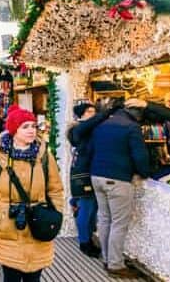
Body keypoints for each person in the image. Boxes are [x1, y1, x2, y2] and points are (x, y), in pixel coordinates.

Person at [0, 107, 65, 282]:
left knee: (34, 278)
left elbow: (55, 189)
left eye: (33, 125)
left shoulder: (44, 155)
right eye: (25, 126)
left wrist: (57, 214)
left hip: (38, 225)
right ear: (14, 129)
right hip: (7, 226)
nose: (31, 130)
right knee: (11, 278)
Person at [85, 103, 151, 277]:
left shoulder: (102, 124)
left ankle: (108, 258)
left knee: (105, 219)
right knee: (119, 223)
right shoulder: (131, 127)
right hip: (117, 178)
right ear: (137, 115)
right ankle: (115, 265)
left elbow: (90, 149)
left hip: (97, 176)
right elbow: (140, 155)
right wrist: (145, 173)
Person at [66, 100, 111, 258]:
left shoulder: (90, 128)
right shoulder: (77, 129)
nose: (93, 115)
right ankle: (85, 242)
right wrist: (104, 114)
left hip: (89, 171)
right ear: (80, 116)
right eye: (89, 112)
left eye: (94, 112)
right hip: (82, 174)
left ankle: (87, 237)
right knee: (87, 207)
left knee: (89, 208)